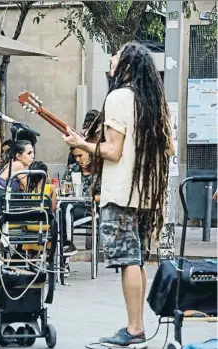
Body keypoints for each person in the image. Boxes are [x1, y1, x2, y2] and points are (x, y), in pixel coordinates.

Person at [63, 42, 173, 348]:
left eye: (115, 57)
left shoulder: (119, 97)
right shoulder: (151, 100)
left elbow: (112, 150)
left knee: (128, 261)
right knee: (137, 260)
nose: (110, 61)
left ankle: (134, 327)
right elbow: (167, 148)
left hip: (121, 193)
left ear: (125, 66)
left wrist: (81, 144)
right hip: (145, 193)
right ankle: (137, 324)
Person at [61, 147, 101, 256]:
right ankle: (63, 261)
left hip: (91, 210)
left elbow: (107, 195)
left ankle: (68, 245)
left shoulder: (100, 171)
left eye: (80, 156)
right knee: (62, 213)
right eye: (75, 156)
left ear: (90, 154)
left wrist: (92, 198)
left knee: (61, 221)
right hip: (71, 207)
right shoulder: (72, 169)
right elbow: (65, 189)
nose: (78, 160)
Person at [0, 140, 34, 212]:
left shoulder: (10, 164)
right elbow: (28, 190)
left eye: (33, 153)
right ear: (19, 156)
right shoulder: (18, 165)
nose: (32, 156)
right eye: (29, 153)